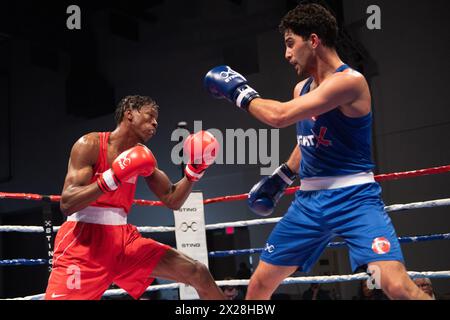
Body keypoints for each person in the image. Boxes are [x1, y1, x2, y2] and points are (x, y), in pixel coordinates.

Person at [203, 3, 431, 300]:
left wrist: (238, 92)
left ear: (313, 40)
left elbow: (279, 116)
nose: (286, 54)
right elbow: (308, 138)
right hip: (309, 202)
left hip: (355, 198)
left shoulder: (350, 82)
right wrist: (282, 177)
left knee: (397, 286)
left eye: (290, 43)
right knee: (258, 286)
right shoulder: (302, 89)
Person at [45, 95, 225, 300]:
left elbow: (172, 199)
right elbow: (67, 203)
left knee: (197, 272)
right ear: (129, 113)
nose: (155, 123)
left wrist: (194, 172)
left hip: (123, 241)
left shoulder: (143, 156)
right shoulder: (90, 144)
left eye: (156, 119)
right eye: (150, 116)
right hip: (83, 242)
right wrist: (112, 177)